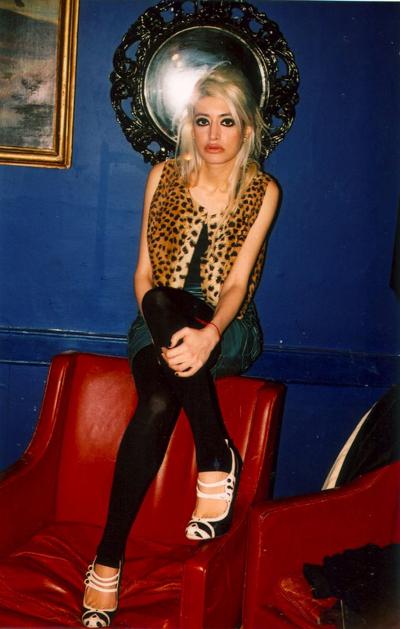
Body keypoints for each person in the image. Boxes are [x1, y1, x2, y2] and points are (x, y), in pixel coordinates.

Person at [81, 63, 280, 628]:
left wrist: (209, 333)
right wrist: (168, 326)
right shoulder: (162, 176)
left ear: (247, 129)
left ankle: (106, 562)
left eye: (227, 122)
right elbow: (143, 277)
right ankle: (215, 456)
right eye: (202, 120)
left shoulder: (262, 190)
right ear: (188, 125)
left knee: (163, 387)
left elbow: (237, 285)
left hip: (227, 326)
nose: (213, 135)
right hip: (156, 318)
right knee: (159, 378)